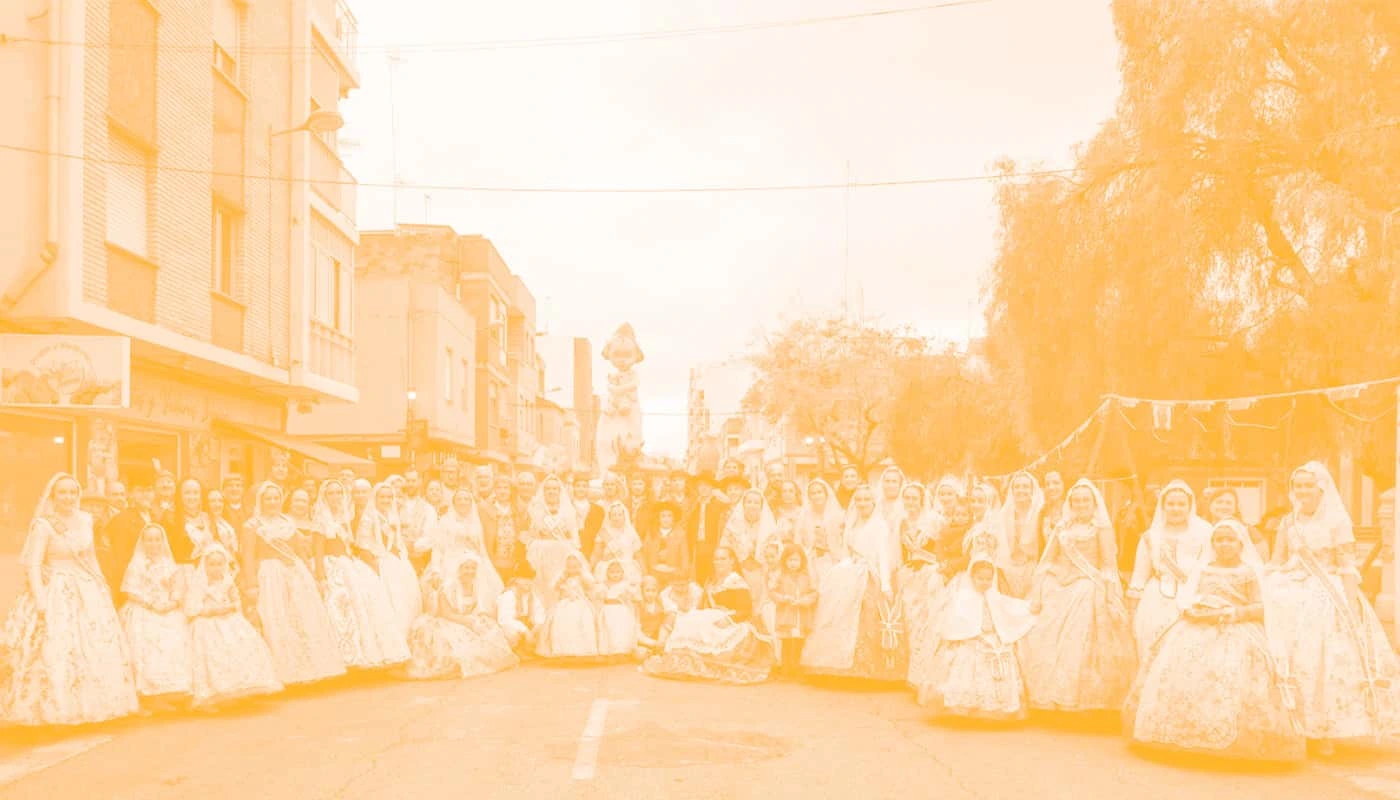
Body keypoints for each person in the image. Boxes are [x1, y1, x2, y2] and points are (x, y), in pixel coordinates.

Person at [1124, 520, 1305, 762]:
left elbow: (1262, 607)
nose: (1224, 544)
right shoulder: (1204, 569)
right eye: (1219, 540)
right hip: (1199, 625)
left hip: (1237, 629)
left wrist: (1232, 614)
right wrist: (1193, 611)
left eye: (1230, 540)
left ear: (1241, 544)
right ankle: (1183, 731)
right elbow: (1187, 598)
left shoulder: (1249, 572)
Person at [1264, 462, 1400, 753]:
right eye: (1297, 486)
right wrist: (1266, 581)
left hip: (1327, 592)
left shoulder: (1337, 522)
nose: (1302, 491)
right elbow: (1276, 559)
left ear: (1321, 488)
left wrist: (1350, 605)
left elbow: (1347, 565)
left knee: (1321, 659)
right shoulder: (1288, 522)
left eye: (1307, 486)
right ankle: (1290, 724)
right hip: (1289, 588)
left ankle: (1323, 729)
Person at [1, 472, 139, 726]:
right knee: (56, 647)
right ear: (53, 496)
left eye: (72, 492)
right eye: (62, 493)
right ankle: (53, 709)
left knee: (93, 644)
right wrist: (41, 600)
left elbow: (91, 557)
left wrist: (101, 583)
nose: (68, 497)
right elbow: (33, 564)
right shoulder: (44, 525)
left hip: (85, 587)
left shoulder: (86, 520)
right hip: (54, 585)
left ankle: (93, 704)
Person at [1022, 479, 1137, 711]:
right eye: (1077, 500)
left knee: (1081, 626)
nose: (1081, 504)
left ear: (1094, 502)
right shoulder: (1062, 528)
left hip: (1088, 583)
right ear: (1071, 503)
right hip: (1060, 581)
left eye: (1086, 500)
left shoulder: (1101, 528)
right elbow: (1049, 559)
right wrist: (1051, 577)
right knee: (1039, 627)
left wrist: (1108, 591)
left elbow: (1107, 564)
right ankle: (1047, 694)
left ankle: (1083, 699)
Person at [241, 481, 347, 686]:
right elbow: (248, 555)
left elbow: (300, 551)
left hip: (296, 575)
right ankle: (283, 674)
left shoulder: (288, 522)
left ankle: (308, 671)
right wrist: (251, 584)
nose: (272, 502)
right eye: (268, 499)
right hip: (269, 575)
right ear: (260, 501)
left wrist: (312, 575)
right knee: (276, 619)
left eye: (276, 498)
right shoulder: (252, 525)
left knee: (303, 619)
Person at [802, 485, 907, 682]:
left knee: (866, 615)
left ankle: (866, 669)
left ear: (873, 502)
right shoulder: (852, 524)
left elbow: (883, 555)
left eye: (866, 500)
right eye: (858, 500)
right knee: (836, 609)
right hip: (851, 571)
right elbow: (846, 551)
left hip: (869, 575)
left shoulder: (879, 525)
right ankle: (837, 664)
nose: (862, 504)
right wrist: (843, 567)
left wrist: (885, 584)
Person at [917, 554, 1036, 721]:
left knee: (1003, 654)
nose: (985, 582)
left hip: (993, 636)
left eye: (988, 579)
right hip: (970, 638)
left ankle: (996, 707)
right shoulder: (963, 597)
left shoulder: (994, 596)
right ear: (971, 577)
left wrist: (1029, 607)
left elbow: (1010, 606)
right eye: (980, 578)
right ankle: (964, 705)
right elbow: (955, 620)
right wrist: (970, 634)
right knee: (967, 658)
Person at [312, 479, 410, 671]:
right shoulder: (321, 521)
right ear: (324, 496)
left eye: (338, 493)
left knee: (365, 605)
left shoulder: (343, 518)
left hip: (349, 564)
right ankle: (342, 659)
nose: (335, 497)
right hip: (331, 565)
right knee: (340, 611)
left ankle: (364, 655)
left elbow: (353, 545)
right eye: (331, 494)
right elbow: (317, 552)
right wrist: (321, 577)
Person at [642, 547, 775, 684]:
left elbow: (746, 610)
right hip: (712, 616)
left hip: (732, 620)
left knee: (706, 628)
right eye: (716, 559)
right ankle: (680, 659)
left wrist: (728, 620)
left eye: (723, 558)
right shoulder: (712, 580)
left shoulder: (735, 581)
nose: (718, 562)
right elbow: (704, 606)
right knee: (688, 620)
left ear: (732, 561)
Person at [184, 543, 283, 709]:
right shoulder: (199, 584)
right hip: (208, 622)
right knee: (213, 653)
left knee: (241, 644)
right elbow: (192, 608)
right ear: (205, 565)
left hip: (229, 618)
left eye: (220, 564)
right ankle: (210, 694)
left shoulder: (227, 581)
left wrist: (231, 606)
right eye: (212, 564)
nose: (216, 569)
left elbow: (236, 599)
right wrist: (213, 610)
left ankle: (238, 688)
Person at [1125, 480, 1216, 658]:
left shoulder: (1205, 531)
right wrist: (1132, 609)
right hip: (1157, 597)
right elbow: (1139, 576)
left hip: (1195, 595)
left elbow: (1212, 566)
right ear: (1163, 506)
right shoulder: (1151, 536)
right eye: (1171, 504)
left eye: (1181, 504)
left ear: (1190, 505)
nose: (1176, 508)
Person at [406, 553, 519, 680]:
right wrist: (468, 622)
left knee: (490, 632)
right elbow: (446, 614)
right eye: (466, 568)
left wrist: (480, 617)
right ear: (459, 569)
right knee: (457, 649)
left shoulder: (475, 586)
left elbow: (473, 609)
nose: (470, 571)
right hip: (448, 621)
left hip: (465, 620)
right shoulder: (448, 588)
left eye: (473, 568)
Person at [119, 522, 193, 708]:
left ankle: (174, 692)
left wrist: (172, 603)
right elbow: (130, 590)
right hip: (144, 607)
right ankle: (151, 696)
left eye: (157, 540)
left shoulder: (169, 564)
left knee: (176, 637)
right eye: (149, 540)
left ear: (163, 541)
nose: (153, 544)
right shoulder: (136, 565)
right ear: (143, 542)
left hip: (167, 608)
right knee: (146, 640)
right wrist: (151, 604)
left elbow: (178, 587)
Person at [358, 481, 423, 639]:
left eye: (389, 497)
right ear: (375, 498)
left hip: (396, 561)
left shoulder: (393, 516)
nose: (386, 500)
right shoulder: (368, 518)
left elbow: (398, 541)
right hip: (378, 561)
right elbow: (363, 546)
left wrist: (401, 556)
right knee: (388, 600)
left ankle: (407, 637)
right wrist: (375, 567)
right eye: (382, 497)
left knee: (406, 598)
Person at [426, 488, 504, 616]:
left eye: (466, 499)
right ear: (454, 503)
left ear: (471, 502)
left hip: (474, 564)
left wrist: (487, 566)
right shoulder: (445, 521)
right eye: (459, 499)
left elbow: (481, 549)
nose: (463, 502)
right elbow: (438, 549)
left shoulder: (476, 522)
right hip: (450, 562)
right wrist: (436, 569)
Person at [521, 474, 583, 613]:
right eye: (548, 488)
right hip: (540, 555)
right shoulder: (534, 510)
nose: (551, 491)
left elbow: (575, 539)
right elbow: (526, 536)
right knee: (541, 591)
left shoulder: (569, 512)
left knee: (560, 589)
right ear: (543, 491)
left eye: (555, 488)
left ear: (560, 491)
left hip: (562, 555)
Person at [536, 552, 601, 659]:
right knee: (562, 621)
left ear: (580, 566)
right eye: (569, 567)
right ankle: (563, 650)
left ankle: (583, 650)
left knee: (584, 621)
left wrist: (581, 575)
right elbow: (554, 587)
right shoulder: (563, 577)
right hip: (565, 603)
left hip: (580, 603)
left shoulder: (583, 576)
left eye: (575, 567)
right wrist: (562, 578)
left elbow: (590, 586)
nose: (572, 570)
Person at [104, 469, 157, 599]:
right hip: (133, 585)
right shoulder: (122, 519)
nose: (145, 495)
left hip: (156, 581)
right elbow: (119, 559)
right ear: (131, 494)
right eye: (140, 491)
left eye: (149, 490)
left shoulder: (157, 518)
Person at [769, 545, 819, 679]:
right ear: (784, 561)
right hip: (786, 615)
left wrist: (804, 601)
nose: (793, 564)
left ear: (802, 561)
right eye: (790, 560)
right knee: (786, 642)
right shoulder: (780, 576)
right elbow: (772, 592)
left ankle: (796, 668)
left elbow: (814, 593)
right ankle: (786, 670)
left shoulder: (807, 576)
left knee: (798, 643)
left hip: (802, 616)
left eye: (796, 560)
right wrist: (783, 598)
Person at [998, 472, 1046, 598]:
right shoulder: (1004, 513)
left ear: (1032, 489)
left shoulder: (1040, 512)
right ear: (1012, 490)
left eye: (1025, 486)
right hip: (1009, 564)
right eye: (1017, 487)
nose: (1021, 490)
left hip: (1033, 563)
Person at [685, 472, 728, 587]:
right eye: (700, 486)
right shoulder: (694, 505)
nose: (703, 489)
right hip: (697, 546)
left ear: (712, 488)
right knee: (698, 577)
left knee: (713, 576)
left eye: (706, 485)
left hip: (712, 545)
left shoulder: (718, 504)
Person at [801, 478, 846, 582]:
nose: (816, 496)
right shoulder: (804, 517)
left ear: (826, 494)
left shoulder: (839, 515)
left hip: (834, 559)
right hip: (811, 560)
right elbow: (800, 541)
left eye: (819, 492)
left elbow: (843, 541)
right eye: (813, 493)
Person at [719, 489, 777, 566]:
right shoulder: (733, 525)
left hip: (763, 568)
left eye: (756, 503)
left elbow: (775, 551)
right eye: (749, 502)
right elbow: (724, 548)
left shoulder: (768, 527)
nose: (752, 506)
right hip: (737, 567)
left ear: (761, 506)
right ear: (743, 504)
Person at [591, 501, 644, 583]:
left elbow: (638, 555)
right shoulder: (603, 532)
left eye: (619, 515)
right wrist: (590, 568)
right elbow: (596, 553)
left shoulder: (631, 532)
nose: (616, 518)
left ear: (624, 516)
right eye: (614, 515)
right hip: (607, 568)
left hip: (627, 568)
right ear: (609, 517)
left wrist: (645, 572)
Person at [596, 560, 640, 658]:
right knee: (608, 628)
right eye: (612, 572)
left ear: (622, 573)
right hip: (608, 608)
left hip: (620, 609)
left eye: (618, 572)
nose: (615, 575)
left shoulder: (625, 584)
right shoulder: (604, 584)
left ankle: (621, 651)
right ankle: (609, 651)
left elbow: (632, 595)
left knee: (620, 629)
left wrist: (627, 595)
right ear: (607, 573)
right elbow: (599, 596)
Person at [496, 564, 541, 655]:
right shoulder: (509, 595)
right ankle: (516, 652)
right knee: (512, 634)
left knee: (544, 629)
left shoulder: (532, 596)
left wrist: (537, 627)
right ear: (515, 580)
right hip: (511, 626)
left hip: (527, 625)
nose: (527, 582)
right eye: (523, 579)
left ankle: (529, 650)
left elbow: (539, 612)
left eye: (529, 579)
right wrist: (525, 631)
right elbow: (505, 619)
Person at [480, 475, 519, 580]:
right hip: (493, 561)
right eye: (499, 488)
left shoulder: (517, 510)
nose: (502, 491)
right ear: (494, 490)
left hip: (513, 562)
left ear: (511, 491)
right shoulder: (485, 510)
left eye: (506, 488)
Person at [644, 501, 689, 581]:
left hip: (673, 574)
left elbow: (684, 557)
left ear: (674, 518)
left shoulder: (680, 534)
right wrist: (646, 573)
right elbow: (645, 553)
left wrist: (682, 573)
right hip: (654, 573)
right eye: (663, 516)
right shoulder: (651, 533)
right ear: (658, 518)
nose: (666, 519)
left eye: (669, 516)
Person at [636, 575, 667, 659]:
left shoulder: (661, 604)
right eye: (647, 591)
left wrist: (660, 640)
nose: (650, 594)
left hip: (657, 636)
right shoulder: (638, 606)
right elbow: (636, 630)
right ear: (642, 591)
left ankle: (657, 651)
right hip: (644, 639)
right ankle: (652, 651)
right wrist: (653, 643)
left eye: (653, 591)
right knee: (640, 654)